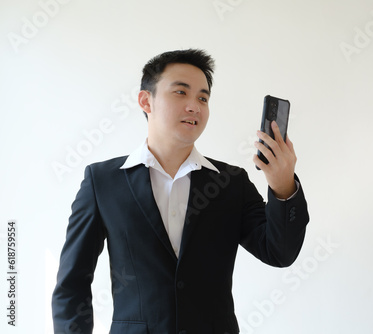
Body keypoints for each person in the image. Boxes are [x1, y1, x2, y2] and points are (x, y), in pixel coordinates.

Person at [52, 49, 309, 334]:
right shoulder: (102, 182)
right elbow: (72, 284)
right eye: (180, 93)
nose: (194, 106)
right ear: (145, 101)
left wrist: (283, 185)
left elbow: (279, 253)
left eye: (203, 98)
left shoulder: (231, 183)